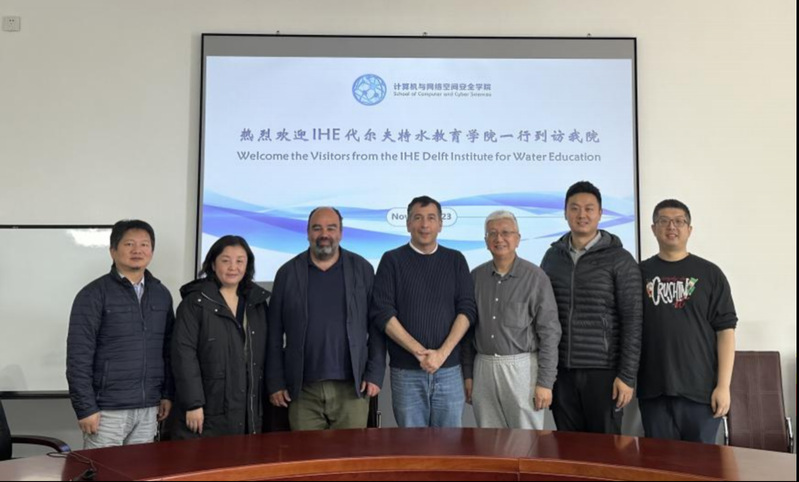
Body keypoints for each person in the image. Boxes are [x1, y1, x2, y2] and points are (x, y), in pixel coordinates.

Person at [267, 207, 386, 430]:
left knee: (351, 452)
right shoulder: (287, 273)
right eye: (317, 228)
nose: (324, 234)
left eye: (331, 228)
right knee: (306, 453)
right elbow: (273, 332)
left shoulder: (362, 269)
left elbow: (377, 326)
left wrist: (375, 372)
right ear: (308, 233)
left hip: (352, 388)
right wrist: (275, 381)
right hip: (302, 391)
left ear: (340, 232)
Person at [540, 181, 642, 434]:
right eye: (574, 208)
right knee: (567, 446)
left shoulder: (620, 259)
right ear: (565, 213)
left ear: (600, 213)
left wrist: (627, 376)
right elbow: (542, 316)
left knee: (605, 449)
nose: (581, 215)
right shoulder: (552, 257)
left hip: (604, 373)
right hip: (562, 372)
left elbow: (633, 321)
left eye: (589, 208)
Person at [67, 220, 174, 449]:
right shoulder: (93, 294)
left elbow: (168, 350)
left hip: (149, 408)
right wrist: (85, 408)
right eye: (129, 244)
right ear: (113, 250)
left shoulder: (161, 294)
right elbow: (78, 356)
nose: (137, 250)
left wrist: (167, 394)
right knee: (103, 468)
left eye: (144, 244)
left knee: (140, 467)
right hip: (107, 409)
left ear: (152, 251)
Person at [371, 196, 477, 427]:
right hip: (406, 372)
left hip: (449, 371)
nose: (425, 225)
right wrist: (420, 353)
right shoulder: (392, 260)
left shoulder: (456, 260)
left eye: (431, 218)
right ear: (408, 223)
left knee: (450, 443)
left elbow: (467, 309)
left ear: (440, 224)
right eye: (418, 218)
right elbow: (383, 312)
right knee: (412, 443)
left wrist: (441, 354)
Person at [638, 199, 737, 444]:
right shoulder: (639, 273)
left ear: (689, 229)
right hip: (653, 391)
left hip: (701, 392)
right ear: (653, 228)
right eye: (664, 221)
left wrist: (723, 386)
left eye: (679, 221)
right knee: (659, 463)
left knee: (701, 463)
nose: (671, 226)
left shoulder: (710, 274)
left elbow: (725, 331)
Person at [463, 210, 561, 429]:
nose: (499, 238)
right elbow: (468, 332)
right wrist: (468, 375)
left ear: (517, 238)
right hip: (483, 367)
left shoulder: (536, 278)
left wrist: (545, 383)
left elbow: (549, 333)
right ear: (486, 241)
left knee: (526, 440)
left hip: (522, 369)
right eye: (492, 233)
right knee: (488, 439)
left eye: (506, 232)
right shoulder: (475, 277)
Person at [170, 235, 269, 439]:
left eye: (240, 261)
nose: (233, 267)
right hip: (207, 408)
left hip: (247, 409)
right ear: (213, 265)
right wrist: (193, 403)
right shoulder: (194, 303)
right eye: (226, 260)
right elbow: (183, 355)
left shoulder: (257, 304)